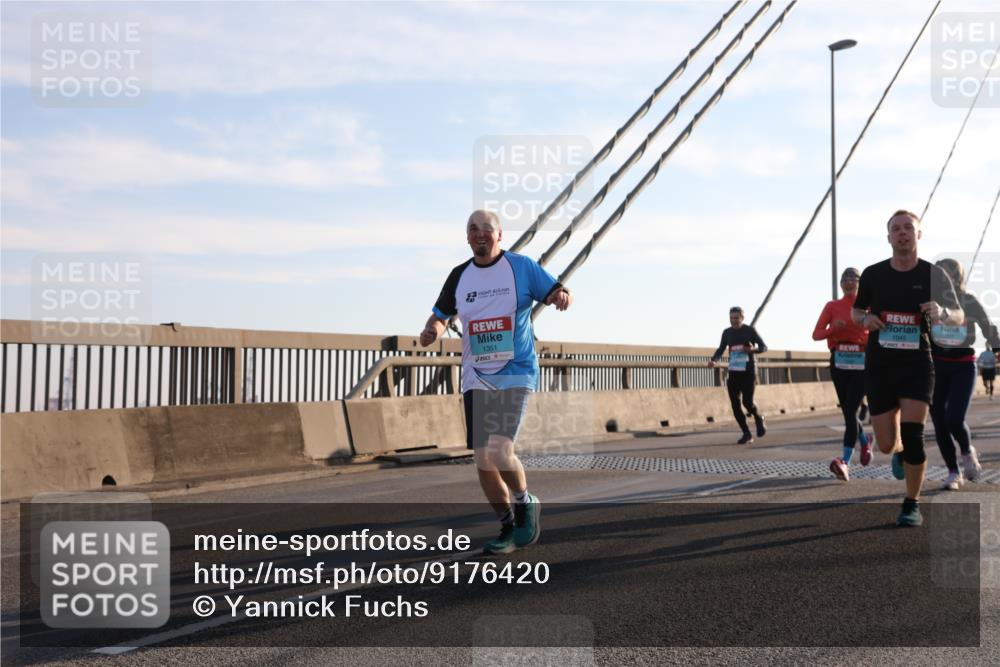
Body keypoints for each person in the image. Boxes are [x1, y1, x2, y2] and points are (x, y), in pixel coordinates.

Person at [420, 210, 572, 554]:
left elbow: (555, 290)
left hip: (516, 369)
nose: (479, 234)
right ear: (467, 237)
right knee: (483, 459)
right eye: (472, 229)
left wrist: (561, 296)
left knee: (500, 450)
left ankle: (524, 502)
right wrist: (433, 330)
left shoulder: (520, 267)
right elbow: (442, 314)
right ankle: (507, 524)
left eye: (486, 229)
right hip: (476, 375)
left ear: (499, 235)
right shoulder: (460, 276)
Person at [851, 210, 963, 527]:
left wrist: (942, 312)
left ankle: (912, 502)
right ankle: (897, 450)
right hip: (880, 365)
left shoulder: (933, 274)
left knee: (914, 436)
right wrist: (865, 320)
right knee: (887, 443)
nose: (902, 233)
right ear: (888, 237)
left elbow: (958, 315)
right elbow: (857, 311)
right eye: (896, 229)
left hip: (917, 363)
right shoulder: (873, 274)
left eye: (908, 228)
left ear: (918, 235)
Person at [929, 258, 1000, 489]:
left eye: (948, 274)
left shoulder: (968, 301)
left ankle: (967, 450)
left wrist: (997, 347)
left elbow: (988, 326)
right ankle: (952, 472)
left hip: (963, 365)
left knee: (954, 418)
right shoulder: (930, 302)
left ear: (958, 277)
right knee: (939, 422)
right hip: (936, 366)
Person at [812, 267, 872, 482]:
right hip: (839, 361)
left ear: (859, 283)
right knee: (849, 413)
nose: (848, 282)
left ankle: (845, 461)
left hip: (862, 362)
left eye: (853, 279)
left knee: (850, 410)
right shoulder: (832, 306)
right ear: (840, 284)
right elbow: (816, 334)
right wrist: (832, 330)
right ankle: (865, 442)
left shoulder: (868, 305)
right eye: (845, 279)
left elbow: (878, 330)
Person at [709, 307, 767, 444]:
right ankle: (746, 433)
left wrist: (752, 349)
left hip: (748, 372)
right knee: (735, 404)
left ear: (742, 318)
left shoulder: (749, 330)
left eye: (736, 318)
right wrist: (714, 360)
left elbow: (764, 347)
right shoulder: (727, 333)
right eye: (731, 318)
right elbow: (721, 349)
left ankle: (759, 417)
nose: (734, 320)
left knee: (747, 402)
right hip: (734, 372)